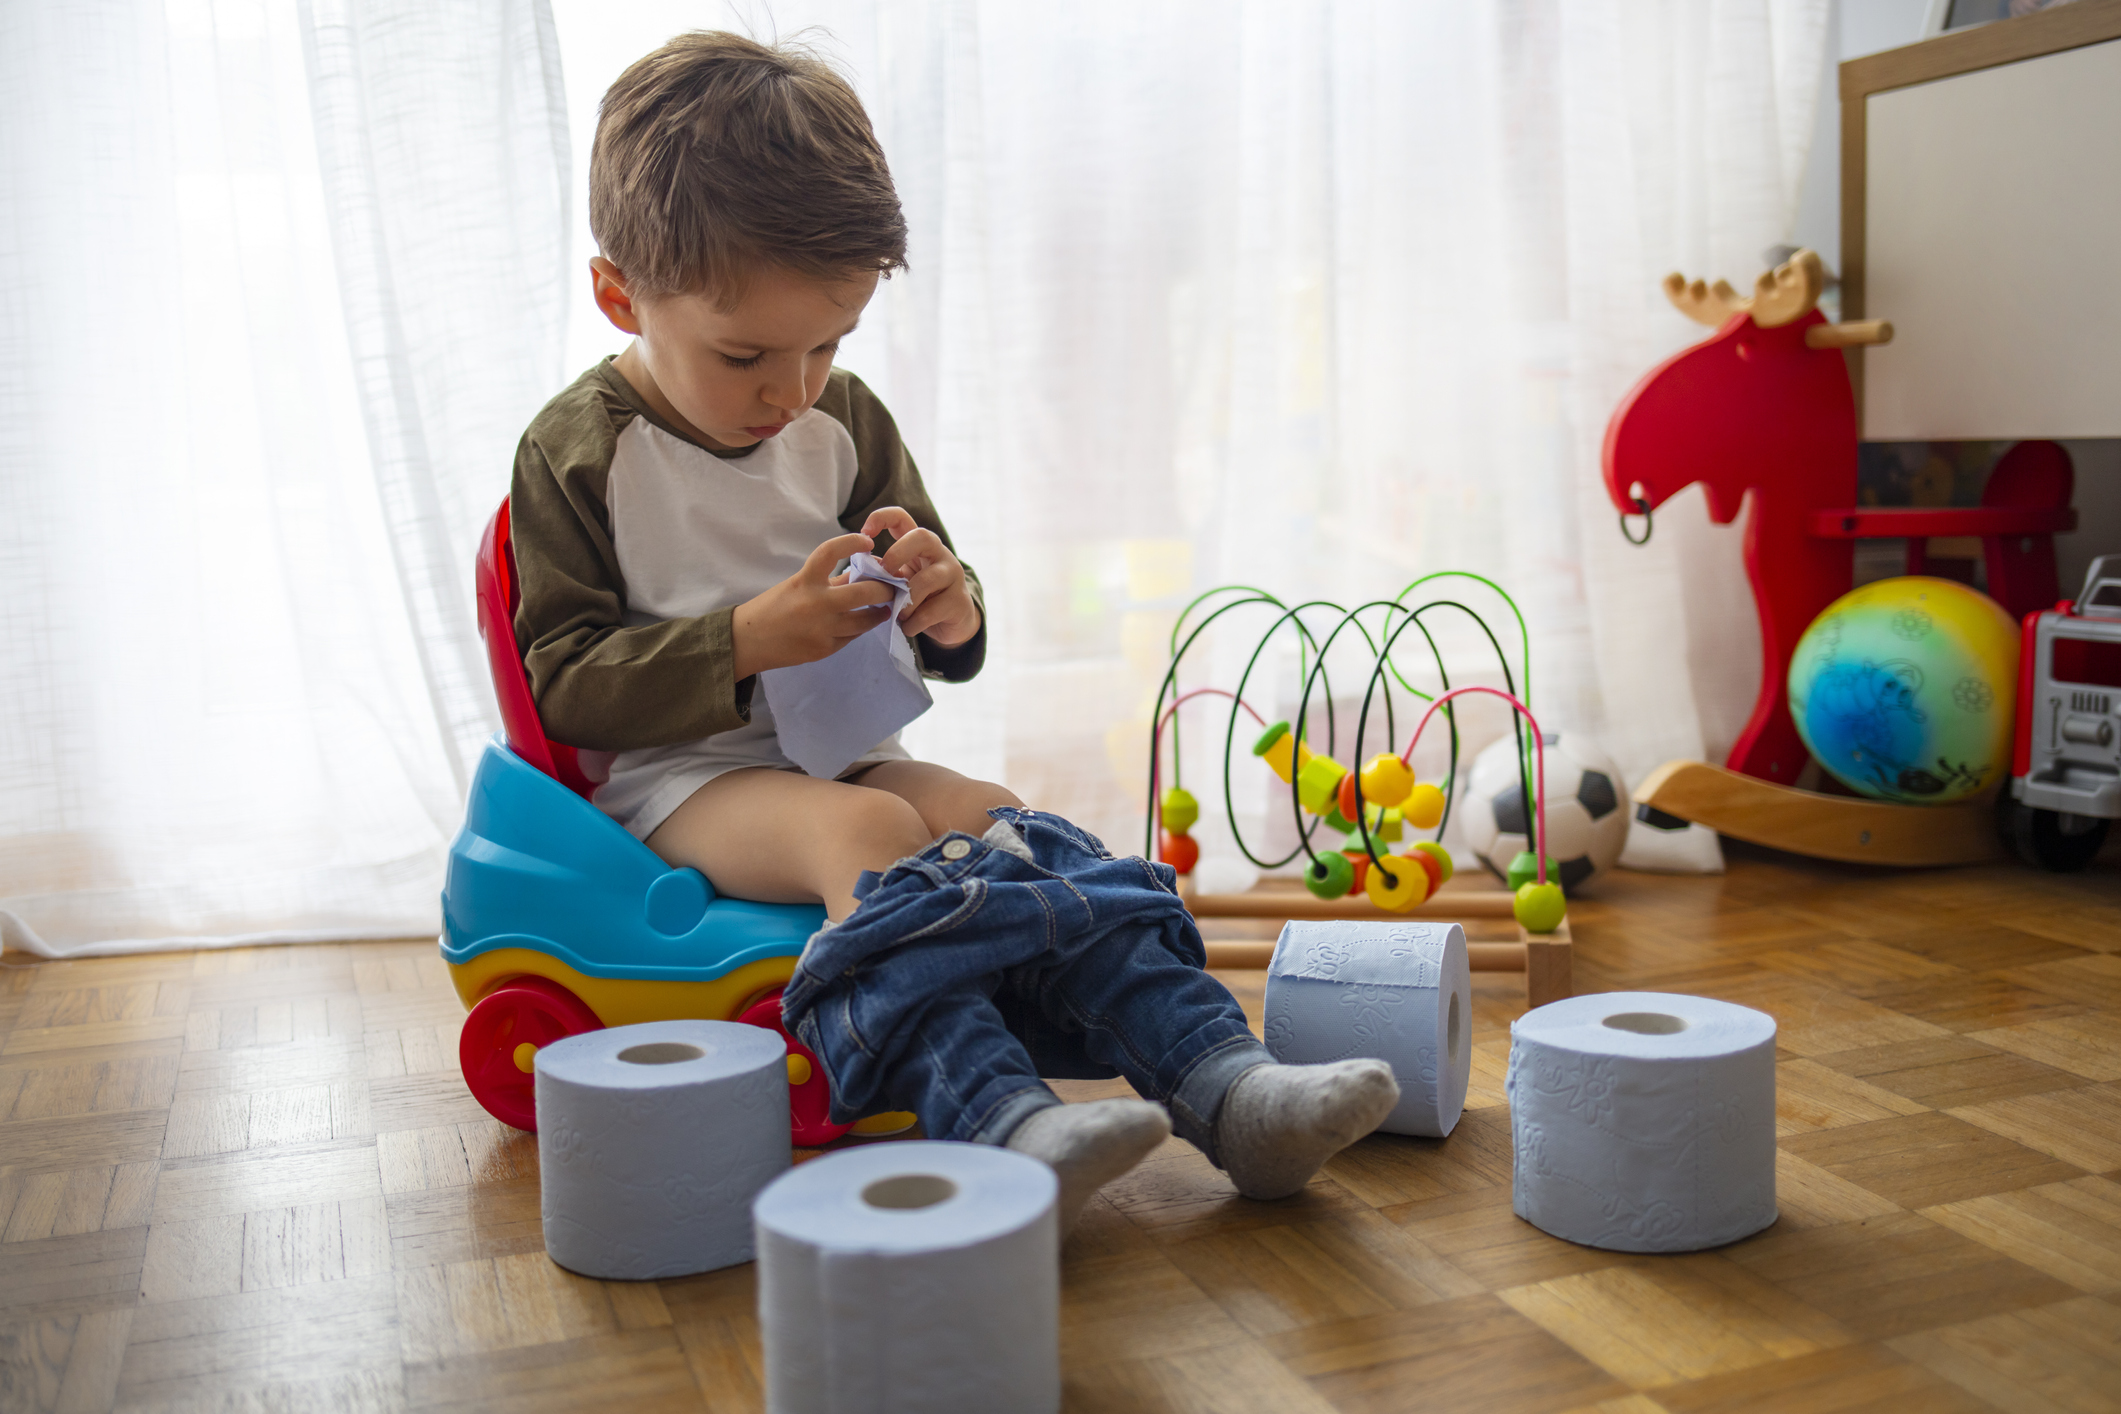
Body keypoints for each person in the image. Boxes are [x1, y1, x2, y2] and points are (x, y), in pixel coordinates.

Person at [509, 31, 1397, 1232]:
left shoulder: (840, 421)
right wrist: (752, 637)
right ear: (622, 293)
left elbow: (936, 599)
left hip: (832, 747)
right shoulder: (578, 451)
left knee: (1002, 821)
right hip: (679, 781)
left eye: (831, 342)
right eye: (747, 354)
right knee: (874, 826)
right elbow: (561, 685)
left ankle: (1225, 1084)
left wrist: (948, 599)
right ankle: (1001, 1115)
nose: (796, 389)